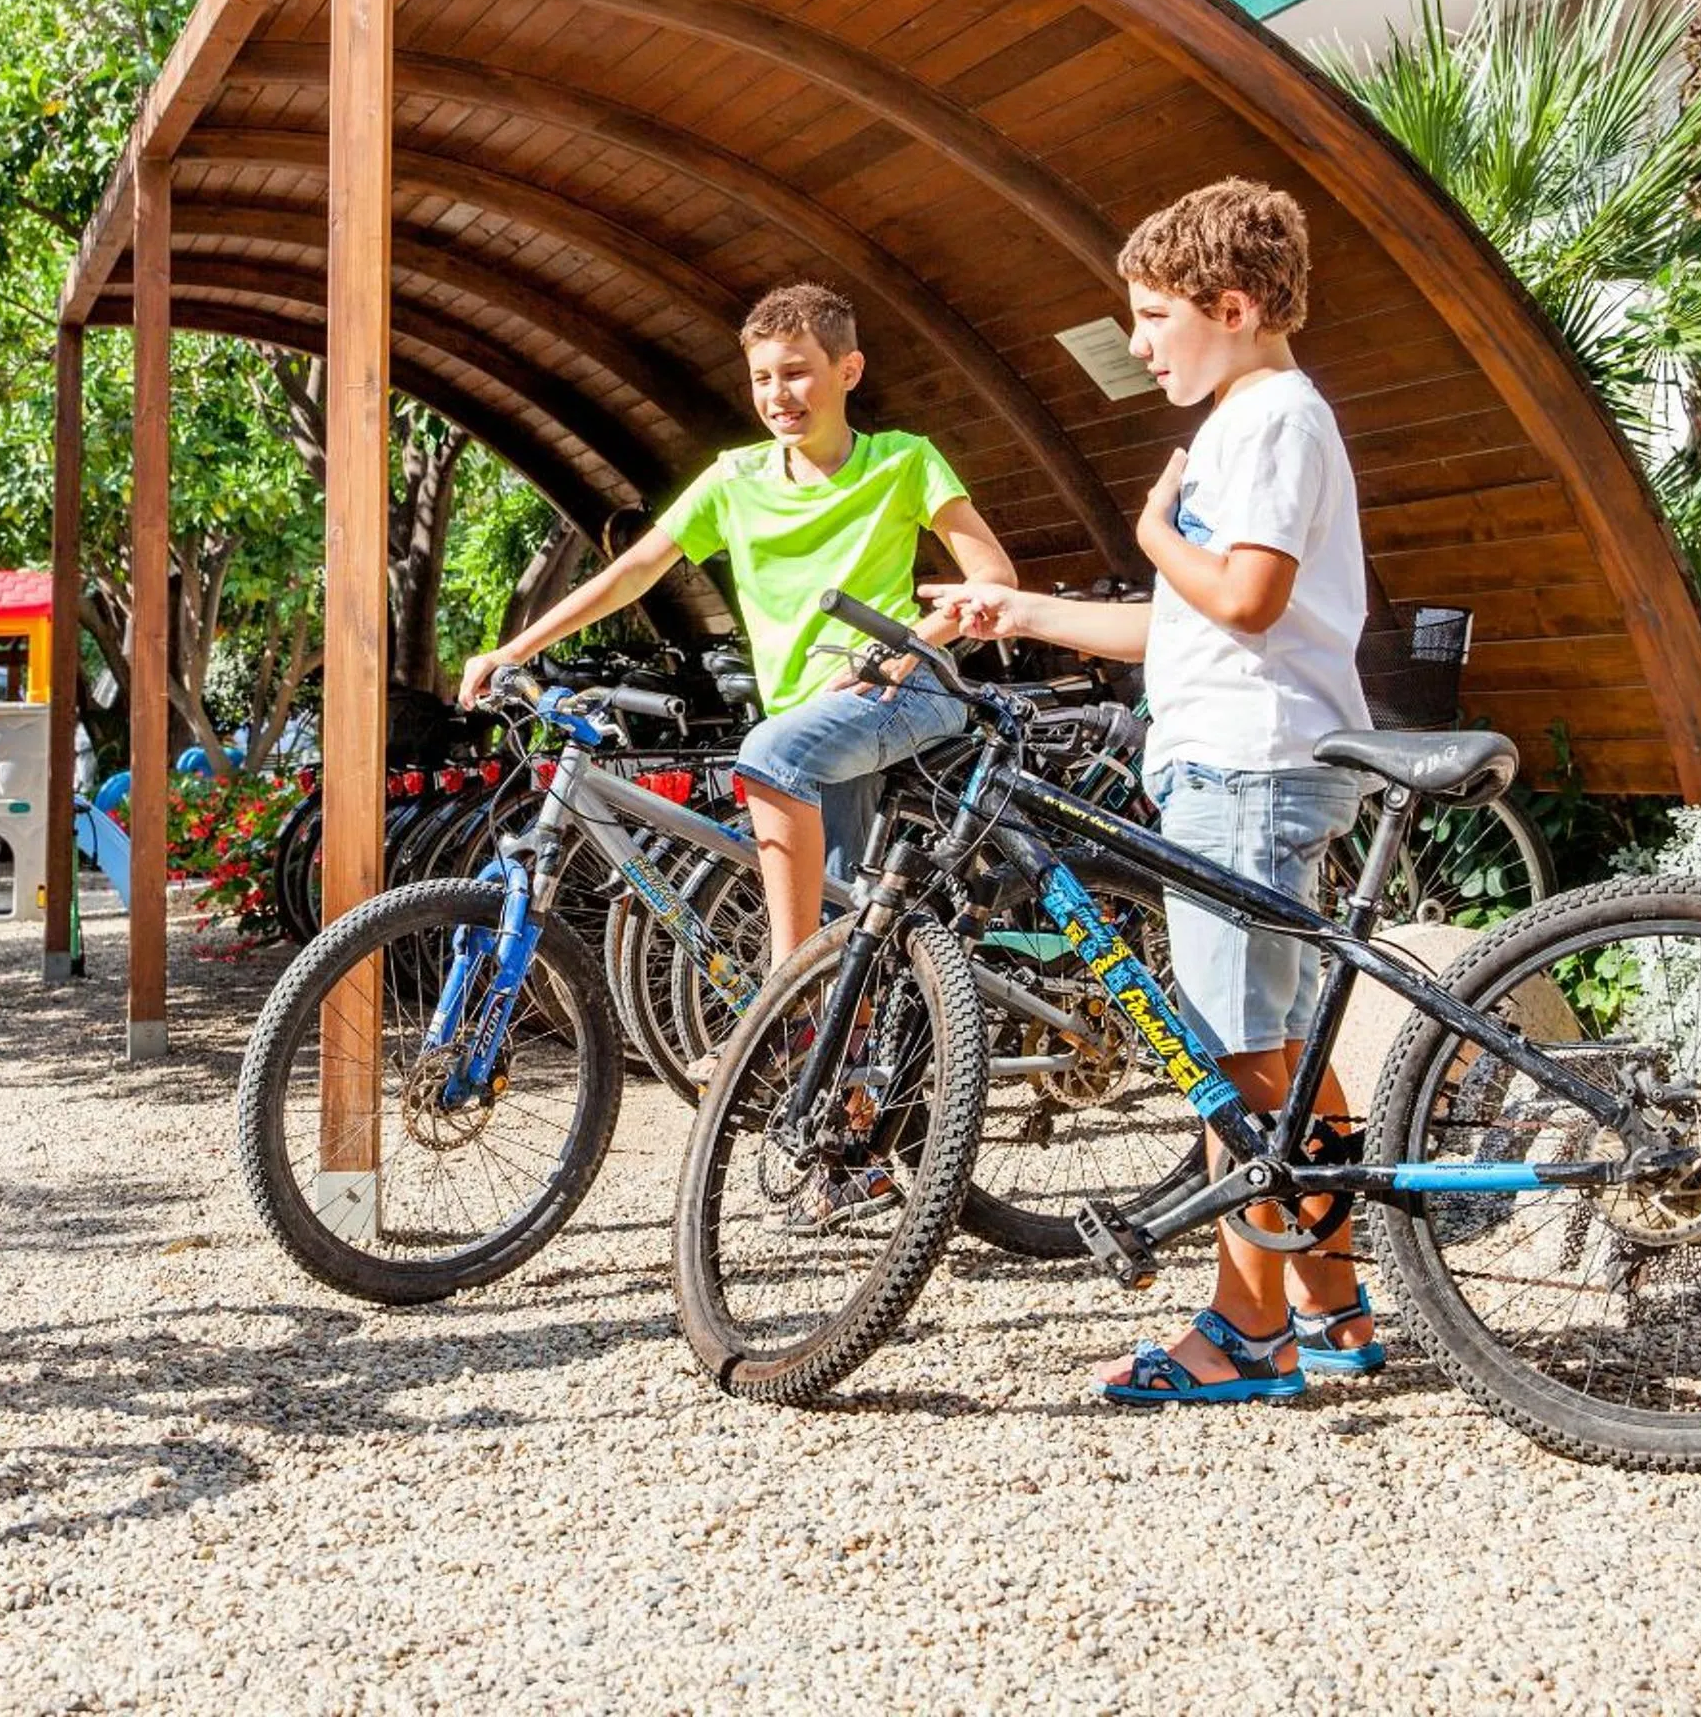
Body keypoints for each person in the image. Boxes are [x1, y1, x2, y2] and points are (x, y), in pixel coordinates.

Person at [922, 178, 1380, 1403]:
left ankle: (1246, 1332)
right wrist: (1013, 610)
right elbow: (1184, 631)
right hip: (1241, 750)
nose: (1136, 344)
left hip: (1246, 765)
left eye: (1151, 315)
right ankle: (1332, 1299)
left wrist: (1151, 528)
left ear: (1229, 306)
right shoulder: (1252, 414)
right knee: (1276, 1048)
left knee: (1231, 1061)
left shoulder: (1272, 416)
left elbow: (1241, 597)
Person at [460, 281, 1015, 1225]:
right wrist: (518, 647)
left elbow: (993, 578)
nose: (780, 395)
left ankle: (778, 999)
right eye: (763, 379)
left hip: (907, 696)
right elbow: (637, 569)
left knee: (769, 761)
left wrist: (903, 646)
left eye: (798, 373)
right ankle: (854, 1157)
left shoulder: (904, 462)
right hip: (810, 731)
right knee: (852, 931)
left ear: (849, 371)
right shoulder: (734, 479)